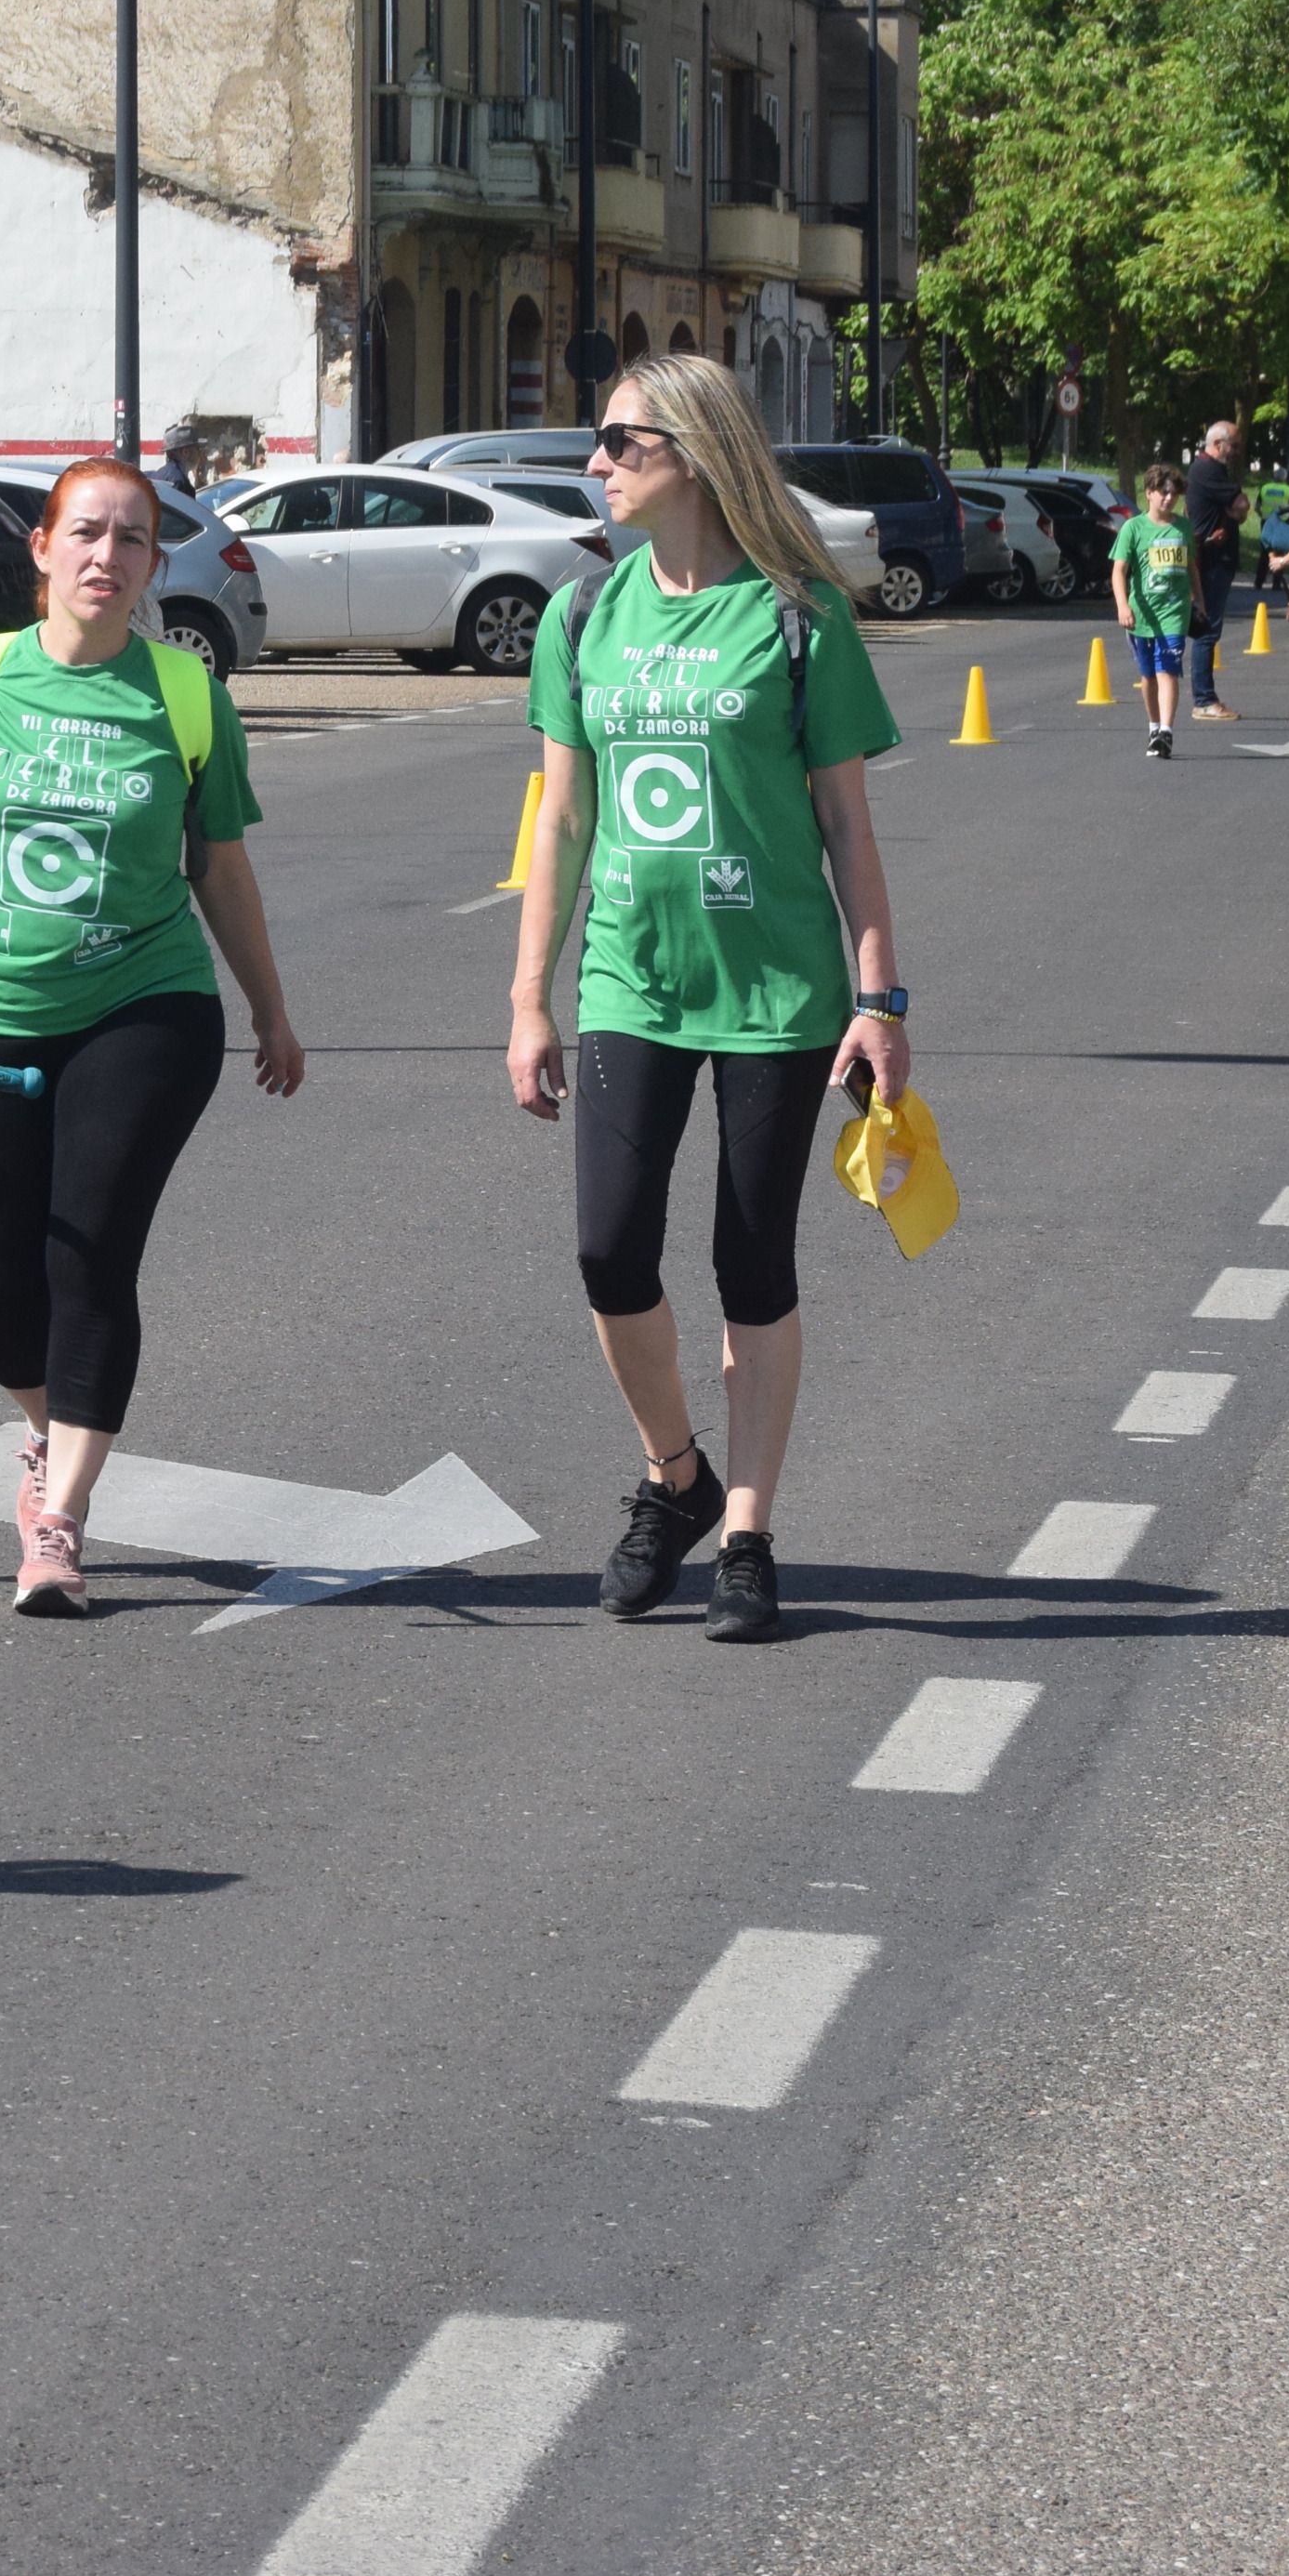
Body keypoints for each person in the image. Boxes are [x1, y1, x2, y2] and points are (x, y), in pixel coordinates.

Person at [0, 455, 306, 1617]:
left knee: (88, 1254)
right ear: (43, 549)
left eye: (134, 541)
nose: (108, 557)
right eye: (88, 534)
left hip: (141, 1007)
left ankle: (58, 1519)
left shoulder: (183, 694)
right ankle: (50, 1429)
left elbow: (220, 867)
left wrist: (267, 1007)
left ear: (154, 565)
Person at [506, 349, 911, 1643]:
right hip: (631, 978)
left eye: (619, 444)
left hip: (779, 991)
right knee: (608, 1246)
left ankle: (747, 1530)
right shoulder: (584, 619)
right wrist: (531, 999)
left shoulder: (797, 616)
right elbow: (559, 822)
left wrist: (881, 997)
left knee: (753, 1260)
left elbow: (847, 825)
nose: (598, 466)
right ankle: (671, 1474)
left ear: (689, 452)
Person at [1110, 461, 1198, 756]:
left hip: (1175, 612)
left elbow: (1192, 566)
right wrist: (1123, 605)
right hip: (1141, 615)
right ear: (1149, 493)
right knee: (1148, 677)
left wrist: (1200, 600)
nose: (1169, 498)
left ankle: (1167, 732)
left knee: (1168, 671)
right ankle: (1153, 726)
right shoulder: (1133, 528)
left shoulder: (1183, 526)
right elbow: (1119, 571)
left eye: (1174, 494)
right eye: (1162, 492)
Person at [1179, 420, 1250, 720]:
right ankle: (1204, 699)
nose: (1236, 452)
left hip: (1213, 559)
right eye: (1233, 446)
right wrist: (1232, 511)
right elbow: (1242, 503)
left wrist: (1232, 512)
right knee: (1207, 631)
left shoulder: (1210, 470)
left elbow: (1239, 509)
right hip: (1211, 562)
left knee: (1207, 630)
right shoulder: (1207, 470)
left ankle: (1205, 697)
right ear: (1218, 444)